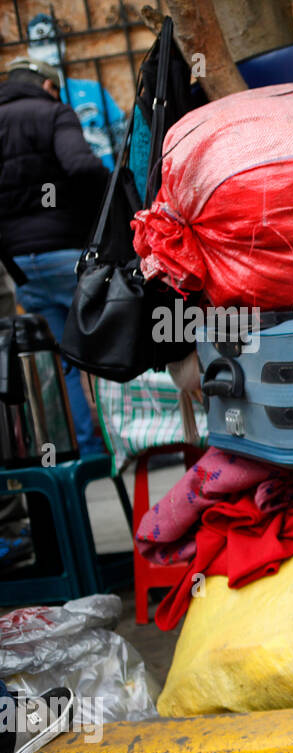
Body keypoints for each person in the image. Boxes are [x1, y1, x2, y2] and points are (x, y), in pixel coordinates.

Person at [0, 56, 110, 457]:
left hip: (21, 266)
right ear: (47, 86)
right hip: (68, 254)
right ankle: (126, 438)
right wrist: (109, 199)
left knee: (65, 361)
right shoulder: (53, 112)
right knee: (105, 345)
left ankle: (87, 447)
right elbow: (81, 166)